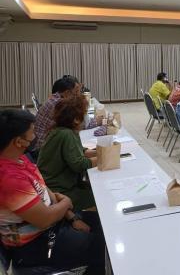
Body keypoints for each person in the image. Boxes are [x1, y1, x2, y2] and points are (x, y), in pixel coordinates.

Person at [0, 109, 105, 274]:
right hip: (34, 244)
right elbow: (45, 219)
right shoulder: (9, 178)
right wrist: (66, 203)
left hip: (53, 225)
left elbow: (46, 192)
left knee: (103, 224)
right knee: (102, 245)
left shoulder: (20, 159)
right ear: (19, 141)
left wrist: (72, 217)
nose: (36, 136)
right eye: (32, 132)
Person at [37, 96, 97, 211]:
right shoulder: (67, 134)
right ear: (76, 119)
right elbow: (79, 164)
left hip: (53, 186)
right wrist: (104, 158)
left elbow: (81, 151)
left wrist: (101, 151)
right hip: (59, 190)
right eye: (84, 114)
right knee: (100, 196)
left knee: (95, 187)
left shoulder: (60, 130)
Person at [32, 77, 81, 153]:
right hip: (44, 149)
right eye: (76, 91)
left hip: (42, 142)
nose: (79, 94)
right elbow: (75, 125)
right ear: (67, 93)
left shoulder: (55, 98)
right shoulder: (59, 104)